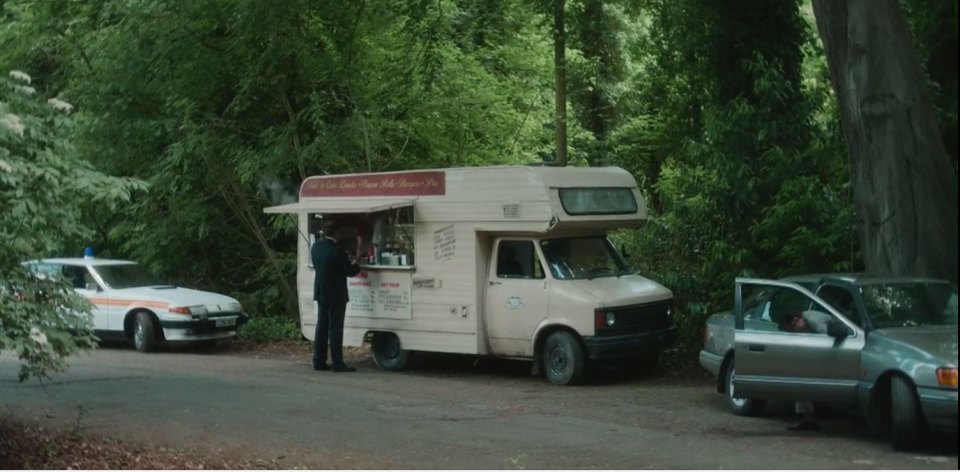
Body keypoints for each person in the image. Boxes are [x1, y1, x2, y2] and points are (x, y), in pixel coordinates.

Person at [312, 218, 362, 372]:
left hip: (321, 290)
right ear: (338, 233)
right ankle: (337, 362)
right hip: (336, 294)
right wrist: (358, 261)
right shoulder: (337, 250)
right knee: (335, 328)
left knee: (321, 327)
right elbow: (349, 272)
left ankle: (319, 361)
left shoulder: (316, 247)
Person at [780, 311, 820, 431]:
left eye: (794, 327)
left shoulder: (815, 323)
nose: (795, 330)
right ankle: (807, 417)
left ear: (798, 320)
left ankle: (809, 418)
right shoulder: (806, 325)